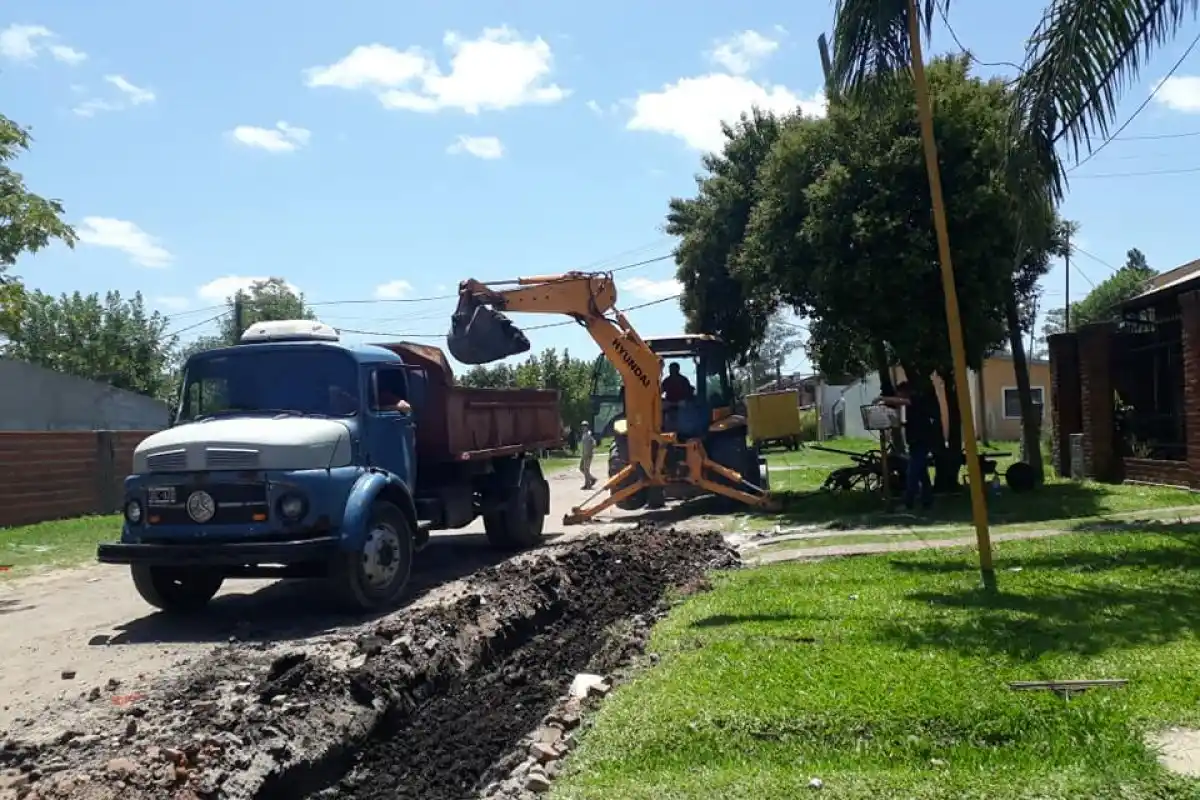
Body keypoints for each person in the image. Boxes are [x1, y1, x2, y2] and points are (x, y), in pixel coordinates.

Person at [877, 381, 939, 510]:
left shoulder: (916, 400)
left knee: (912, 473)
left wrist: (882, 399)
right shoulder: (913, 407)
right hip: (916, 442)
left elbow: (902, 401)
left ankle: (908, 502)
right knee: (922, 473)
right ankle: (927, 501)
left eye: (899, 393)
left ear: (905, 392)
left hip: (921, 442)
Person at [578, 421, 596, 490]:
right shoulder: (584, 434)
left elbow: (593, 443)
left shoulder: (589, 434)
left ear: (587, 427)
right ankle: (592, 479)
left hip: (588, 455)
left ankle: (587, 485)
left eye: (585, 426)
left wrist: (590, 452)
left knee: (586, 470)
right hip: (584, 454)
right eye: (582, 426)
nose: (583, 427)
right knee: (581, 468)